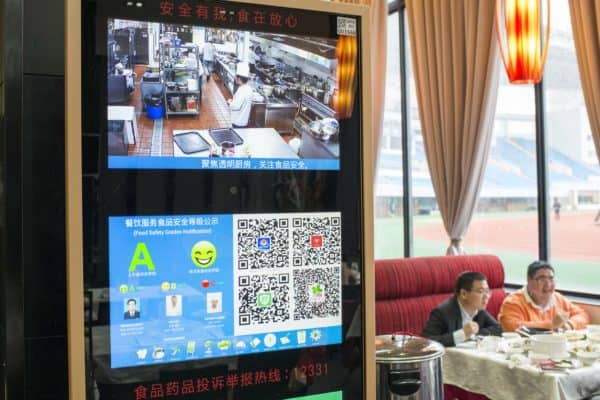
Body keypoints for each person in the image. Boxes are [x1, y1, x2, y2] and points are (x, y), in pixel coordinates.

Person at [498, 261, 590, 332]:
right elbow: (512, 326)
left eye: (551, 279)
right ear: (529, 281)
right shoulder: (513, 302)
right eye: (541, 279)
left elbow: (582, 315)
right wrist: (552, 325)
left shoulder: (558, 298)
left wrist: (569, 325)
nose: (548, 284)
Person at [421, 271, 502, 346]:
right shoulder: (442, 312)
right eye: (480, 291)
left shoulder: (479, 309)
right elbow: (425, 342)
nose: (486, 296)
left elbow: (498, 328)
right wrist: (462, 334)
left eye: (487, 291)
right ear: (464, 294)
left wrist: (474, 334)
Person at [228, 62, 260, 128]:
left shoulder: (242, 91)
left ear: (239, 78)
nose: (235, 78)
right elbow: (255, 98)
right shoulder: (248, 88)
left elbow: (235, 106)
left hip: (238, 121)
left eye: (235, 76)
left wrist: (230, 102)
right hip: (243, 120)